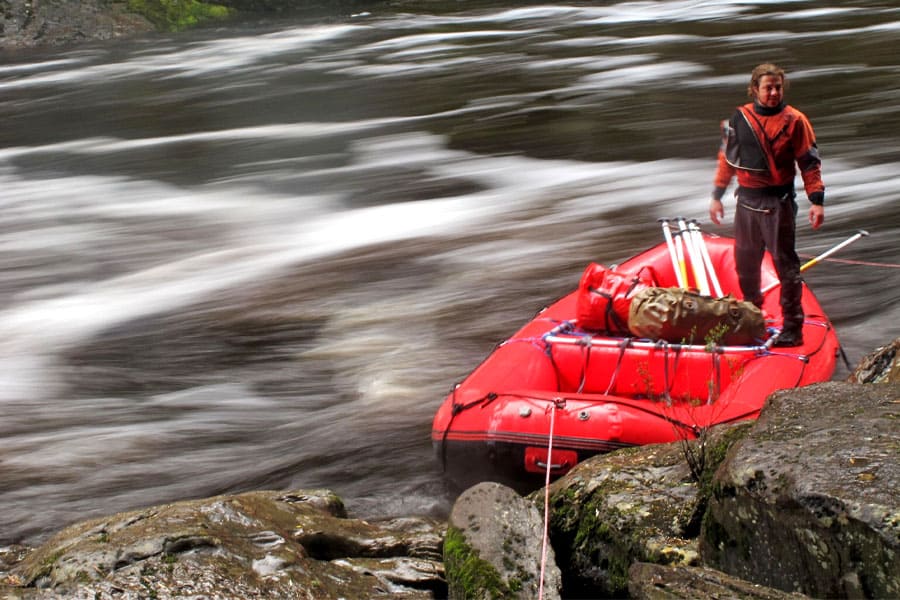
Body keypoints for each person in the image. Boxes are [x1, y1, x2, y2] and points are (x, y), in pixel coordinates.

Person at [709, 63, 825, 347]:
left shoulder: (795, 121)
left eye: (778, 87)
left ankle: (793, 328)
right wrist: (716, 195)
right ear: (755, 89)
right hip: (745, 201)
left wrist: (816, 200)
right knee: (745, 266)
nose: (773, 93)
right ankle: (753, 321)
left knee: (786, 266)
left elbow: (809, 163)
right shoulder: (739, 119)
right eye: (767, 88)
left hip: (779, 202)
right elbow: (726, 160)